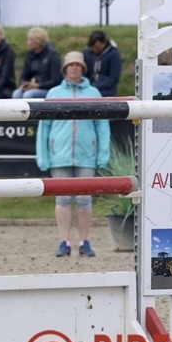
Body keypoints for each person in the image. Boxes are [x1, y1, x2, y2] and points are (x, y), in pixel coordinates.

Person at [36, 51, 110, 257]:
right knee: (62, 199)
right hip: (59, 154)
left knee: (85, 199)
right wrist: (43, 156)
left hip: (87, 155)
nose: (74, 68)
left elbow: (102, 126)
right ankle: (64, 241)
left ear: (83, 68)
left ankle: (85, 241)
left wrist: (103, 155)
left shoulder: (94, 94)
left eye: (78, 65)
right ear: (65, 69)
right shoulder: (53, 94)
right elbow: (44, 127)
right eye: (71, 65)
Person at [12, 27, 62, 99]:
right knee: (16, 93)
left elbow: (56, 81)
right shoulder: (29, 56)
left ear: (38, 43)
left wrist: (38, 85)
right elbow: (23, 76)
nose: (27, 43)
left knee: (29, 95)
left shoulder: (53, 56)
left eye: (30, 40)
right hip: (34, 87)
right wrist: (25, 84)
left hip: (48, 89)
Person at [83, 29, 122, 97]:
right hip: (88, 89)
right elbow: (84, 72)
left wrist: (96, 86)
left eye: (97, 47)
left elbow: (113, 78)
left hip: (107, 91)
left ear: (104, 43)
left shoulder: (114, 54)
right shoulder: (87, 53)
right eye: (92, 47)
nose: (94, 49)